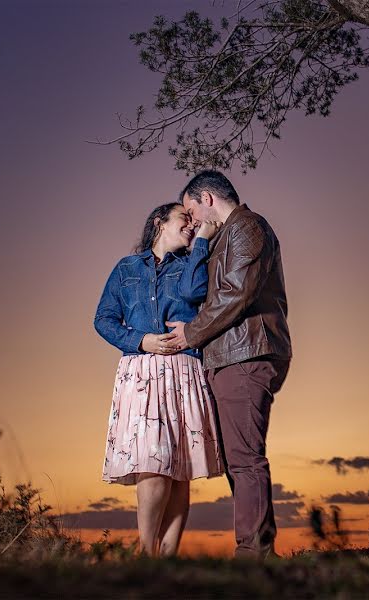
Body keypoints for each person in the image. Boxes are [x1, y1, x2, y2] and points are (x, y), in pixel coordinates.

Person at [163, 170, 292, 560]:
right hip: (230, 356)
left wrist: (191, 334)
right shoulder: (222, 236)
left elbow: (237, 294)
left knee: (245, 458)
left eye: (192, 211)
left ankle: (253, 555)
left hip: (246, 353)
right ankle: (256, 550)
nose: (192, 221)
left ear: (207, 197)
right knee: (239, 458)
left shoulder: (248, 227)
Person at [93, 202, 224, 556]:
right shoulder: (126, 269)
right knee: (152, 462)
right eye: (185, 219)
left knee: (179, 469)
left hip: (184, 371)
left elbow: (195, 294)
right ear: (159, 223)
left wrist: (201, 244)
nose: (191, 225)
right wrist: (141, 340)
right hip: (142, 374)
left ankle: (165, 562)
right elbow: (104, 319)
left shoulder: (193, 263)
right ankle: (145, 554)